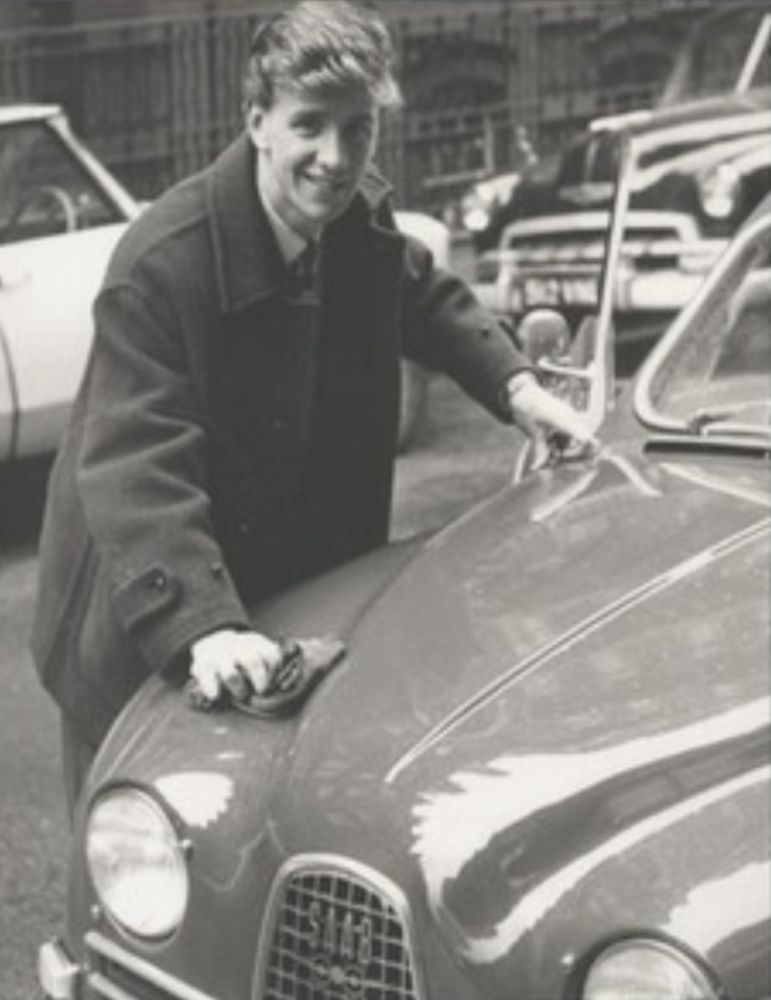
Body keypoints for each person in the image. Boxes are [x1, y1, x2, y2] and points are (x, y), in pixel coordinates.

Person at [31, 0, 594, 813]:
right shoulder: (159, 265)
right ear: (257, 121)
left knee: (277, 824)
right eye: (309, 126)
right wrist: (203, 628)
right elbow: (136, 465)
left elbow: (418, 292)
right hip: (147, 616)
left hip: (282, 594)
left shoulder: (354, 215)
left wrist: (517, 388)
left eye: (357, 128)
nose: (334, 158)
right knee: (136, 843)